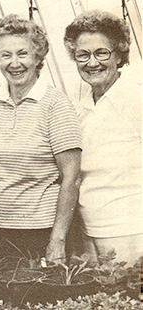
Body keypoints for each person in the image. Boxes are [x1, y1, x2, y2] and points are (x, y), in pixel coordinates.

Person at [0, 15, 82, 265]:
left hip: (42, 232)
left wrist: (57, 239)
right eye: (6, 55)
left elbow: (72, 177)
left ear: (37, 57)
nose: (15, 63)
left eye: (22, 53)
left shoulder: (56, 105)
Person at [64, 11, 143, 264]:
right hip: (90, 229)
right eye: (83, 55)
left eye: (101, 53)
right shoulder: (78, 108)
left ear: (119, 55)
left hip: (133, 230)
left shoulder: (136, 100)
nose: (92, 62)